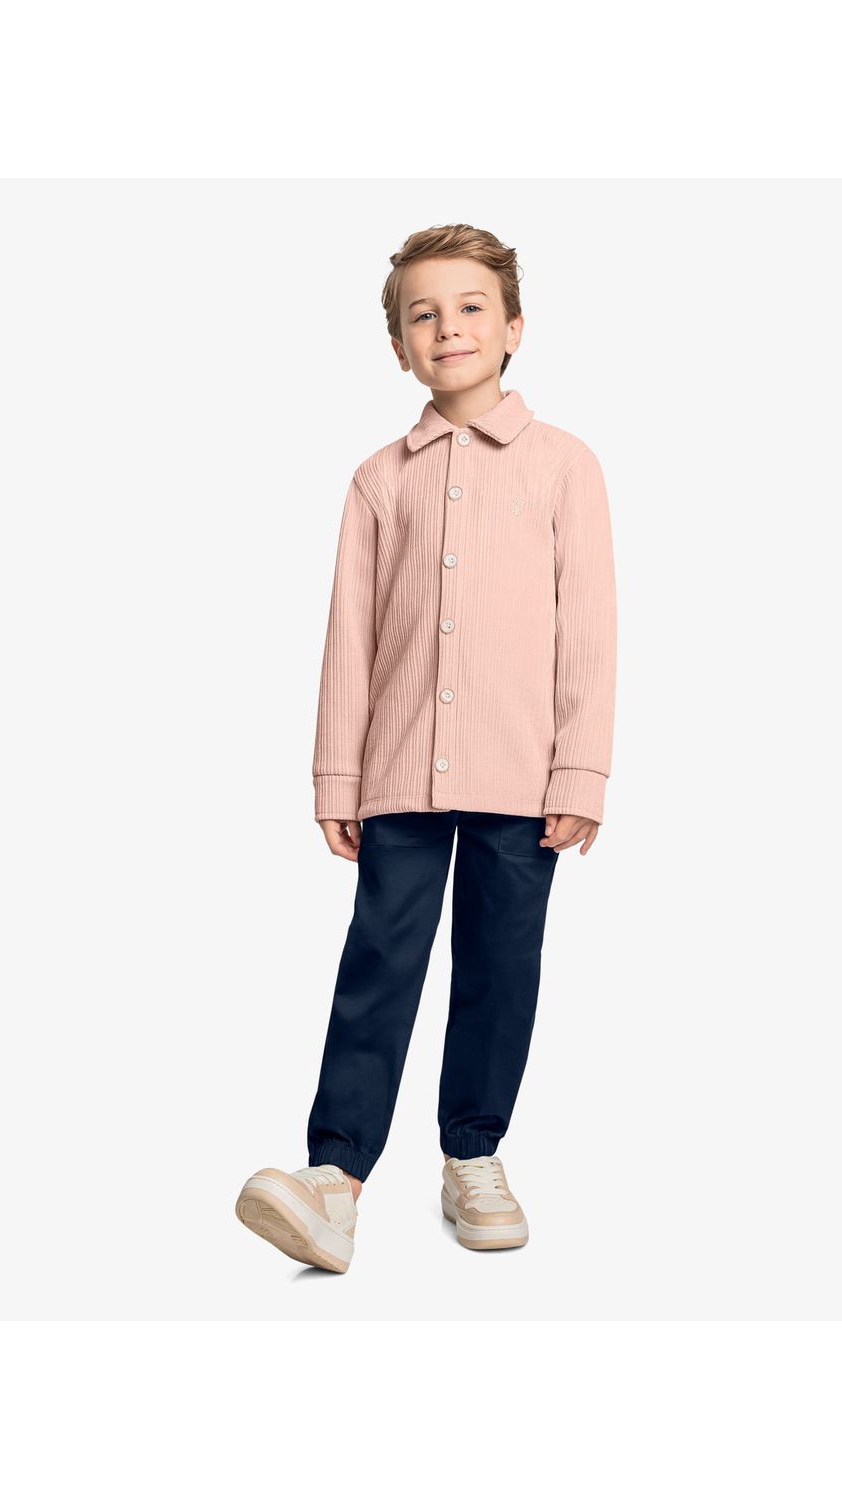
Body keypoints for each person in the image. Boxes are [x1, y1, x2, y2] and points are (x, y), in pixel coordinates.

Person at [235, 223, 617, 1273]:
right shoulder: (377, 480)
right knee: (379, 961)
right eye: (423, 314)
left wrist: (580, 769)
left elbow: (589, 630)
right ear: (400, 347)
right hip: (399, 769)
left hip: (523, 774)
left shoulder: (565, 467)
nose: (448, 327)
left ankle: (473, 1155)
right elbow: (350, 637)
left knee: (500, 966)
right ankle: (334, 1179)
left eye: (470, 307)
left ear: (514, 327)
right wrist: (337, 774)